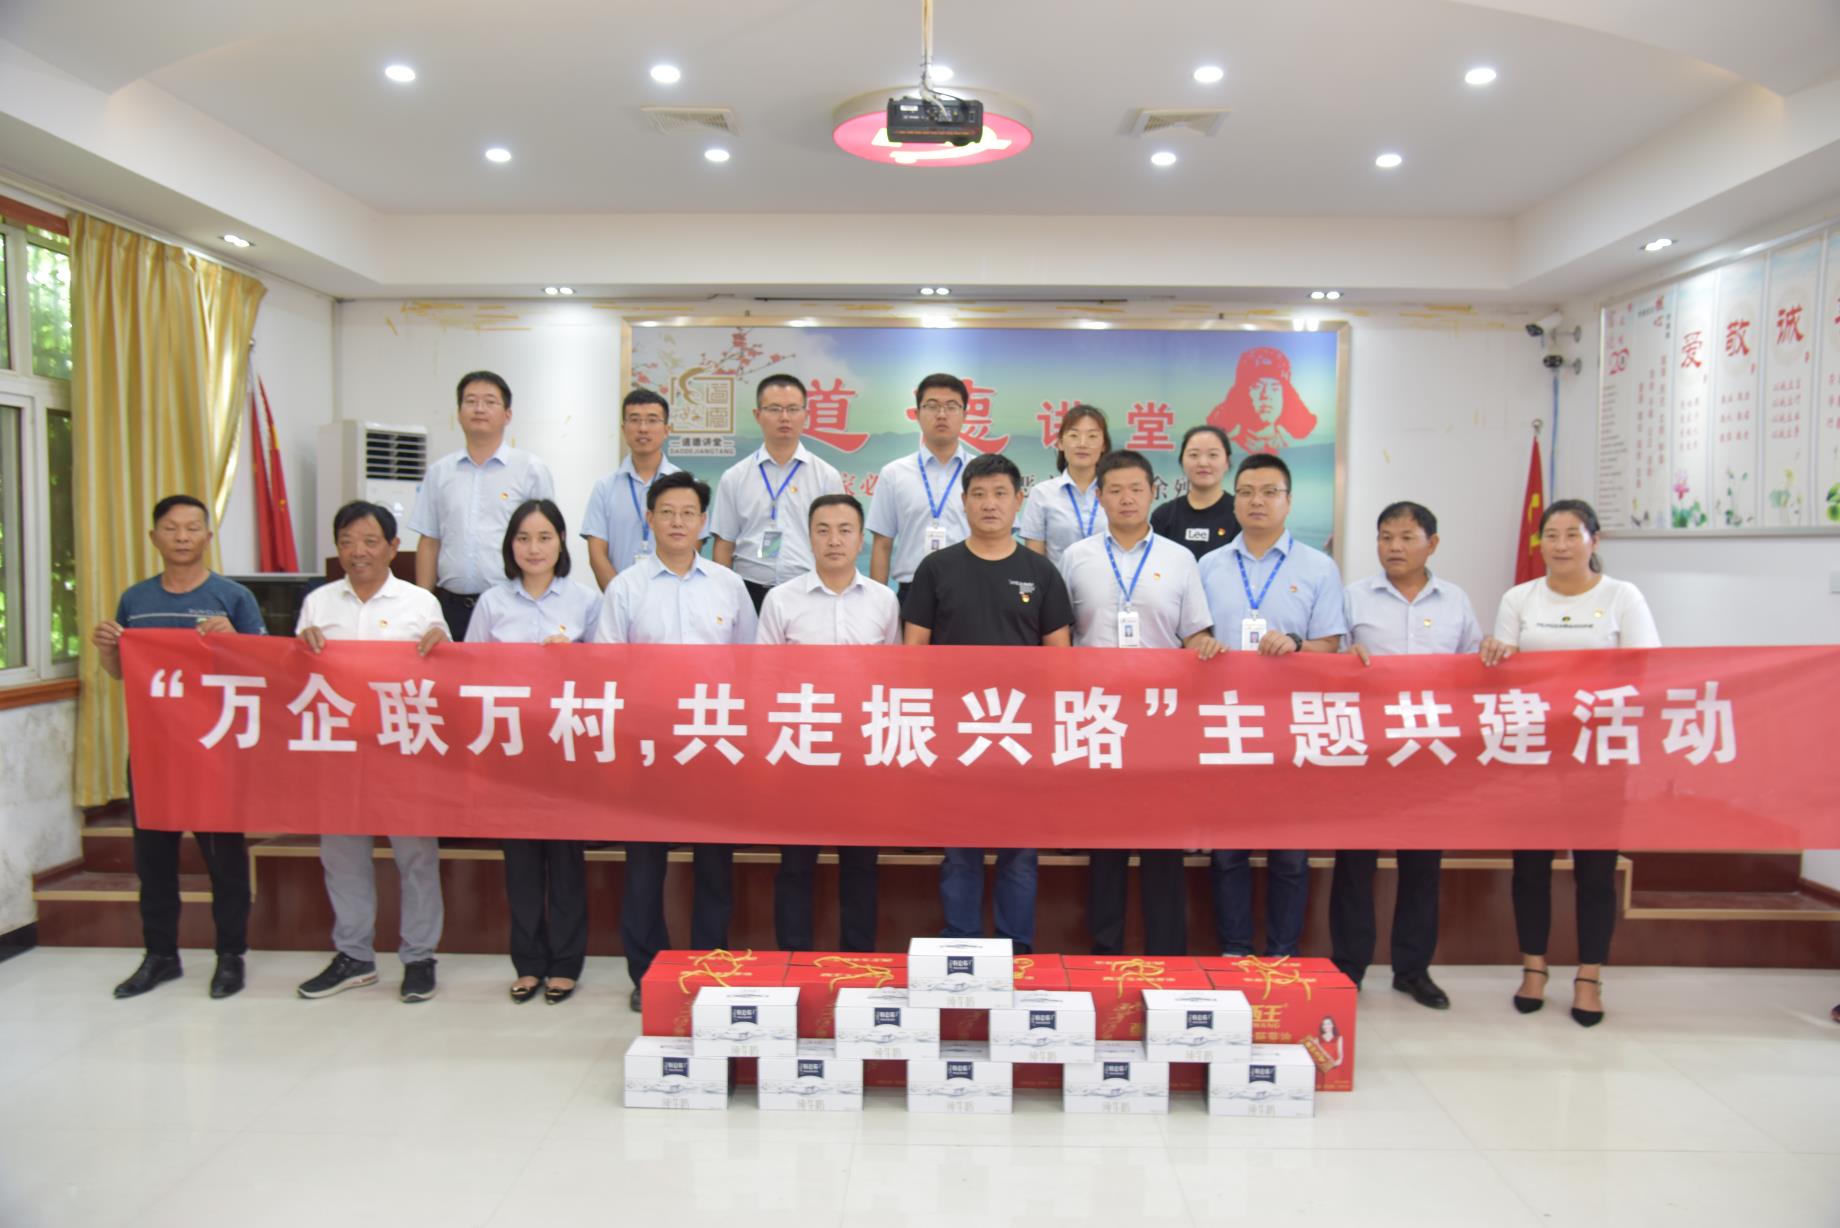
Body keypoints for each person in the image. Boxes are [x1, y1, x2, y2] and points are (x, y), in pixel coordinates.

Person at [1482, 498, 1660, 1028]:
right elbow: (1505, 674)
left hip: (1598, 752)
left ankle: (1589, 976)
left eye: (1572, 535)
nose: (1560, 545)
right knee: (1530, 866)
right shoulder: (1519, 597)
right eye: (1552, 536)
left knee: (1596, 871)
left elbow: (1646, 669)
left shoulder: (1622, 596)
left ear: (1594, 541)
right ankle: (1533, 968)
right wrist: (1494, 655)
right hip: (1534, 750)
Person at [91, 495, 265, 1000]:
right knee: (154, 861)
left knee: (224, 860)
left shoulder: (232, 597)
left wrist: (235, 640)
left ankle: (230, 955)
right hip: (154, 753)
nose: (183, 537)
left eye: (192, 528)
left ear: (208, 536)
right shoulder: (136, 600)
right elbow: (124, 673)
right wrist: (108, 651)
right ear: (154, 538)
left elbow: (264, 669)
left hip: (215, 751)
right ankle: (161, 955)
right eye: (171, 528)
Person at [599, 470, 759, 1010]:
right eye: (666, 512)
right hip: (648, 746)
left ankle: (711, 963)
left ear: (704, 522)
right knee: (646, 866)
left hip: (713, 742)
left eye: (688, 513)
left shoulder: (728, 585)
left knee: (714, 865)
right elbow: (608, 669)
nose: (677, 522)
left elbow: (749, 666)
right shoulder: (626, 587)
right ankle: (647, 972)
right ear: (649, 519)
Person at [904, 453, 1072, 953]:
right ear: (964, 502)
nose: (990, 504)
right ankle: (962, 945)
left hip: (1021, 735)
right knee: (961, 851)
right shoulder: (936, 568)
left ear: (1019, 500)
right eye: (978, 494)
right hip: (956, 733)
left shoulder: (1041, 572)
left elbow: (1059, 660)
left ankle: (1016, 949)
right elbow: (914, 655)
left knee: (1019, 853)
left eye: (1000, 494)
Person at [1059, 450, 1221, 956]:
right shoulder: (1076, 557)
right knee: (1105, 847)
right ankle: (1104, 954)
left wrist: (1206, 647)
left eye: (1135, 488)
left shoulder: (1179, 559)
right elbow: (1061, 637)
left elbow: (1195, 633)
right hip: (1098, 716)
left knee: (1161, 847)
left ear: (1154, 492)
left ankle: (1167, 956)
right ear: (1099, 496)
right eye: (1114, 490)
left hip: (1159, 718)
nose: (1126, 498)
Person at [295, 501, 451, 1003]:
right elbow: (296, 681)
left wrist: (441, 648)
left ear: (392, 547)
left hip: (405, 750)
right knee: (342, 857)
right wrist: (298, 651)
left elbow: (448, 677)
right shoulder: (318, 604)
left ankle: (419, 957)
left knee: (416, 858)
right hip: (339, 751)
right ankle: (355, 956)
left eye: (368, 541)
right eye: (346, 542)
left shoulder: (420, 604)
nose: (357, 552)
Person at [1333, 501, 1483, 1010]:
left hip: (1428, 752)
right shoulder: (1353, 597)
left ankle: (1413, 970)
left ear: (1431, 544)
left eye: (1405, 537)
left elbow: (1473, 671)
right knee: (1355, 866)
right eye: (1385, 537)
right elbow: (1328, 664)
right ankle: (1349, 966)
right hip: (1366, 751)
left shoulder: (1456, 602)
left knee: (1422, 866)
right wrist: (1343, 659)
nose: (1394, 547)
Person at [1197, 453, 1346, 957]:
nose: (1256, 501)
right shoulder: (1209, 566)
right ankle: (1234, 950)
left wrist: (1298, 646)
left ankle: (1283, 954)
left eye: (1268, 492)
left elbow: (1332, 645)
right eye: (1246, 492)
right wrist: (1203, 645)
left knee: (1289, 855)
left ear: (1288, 501)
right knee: (1228, 852)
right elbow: (1193, 638)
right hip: (1227, 724)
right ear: (1234, 501)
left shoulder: (1318, 567)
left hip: (1291, 727)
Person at [466, 500, 599, 1004]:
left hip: (565, 747)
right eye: (523, 538)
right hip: (511, 749)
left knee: (565, 863)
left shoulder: (585, 601)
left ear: (561, 543)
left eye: (544, 537)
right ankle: (527, 963)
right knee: (520, 864)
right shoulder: (492, 603)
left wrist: (575, 661)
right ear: (510, 546)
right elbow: (471, 670)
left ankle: (565, 963)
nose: (534, 548)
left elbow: (609, 673)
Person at [758, 494, 900, 951]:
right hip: (801, 750)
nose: (834, 540)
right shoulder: (781, 600)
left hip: (861, 755)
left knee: (861, 866)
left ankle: (858, 962)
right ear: (809, 537)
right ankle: (793, 962)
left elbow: (893, 680)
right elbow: (765, 680)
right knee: (796, 866)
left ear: (860, 539)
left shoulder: (884, 601)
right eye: (823, 530)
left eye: (844, 530)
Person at [409, 370, 556, 640]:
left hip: (512, 605)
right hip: (451, 607)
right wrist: (423, 607)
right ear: (459, 413)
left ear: (507, 415)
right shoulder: (440, 472)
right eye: (470, 401)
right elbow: (429, 541)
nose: (479, 409)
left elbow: (548, 540)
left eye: (490, 402)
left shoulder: (530, 469)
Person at [710, 373, 845, 611]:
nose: (784, 417)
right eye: (774, 409)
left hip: (808, 590)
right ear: (757, 415)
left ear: (806, 415)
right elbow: (724, 543)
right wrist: (723, 597)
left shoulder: (826, 476)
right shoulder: (735, 477)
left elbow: (837, 542)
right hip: (749, 590)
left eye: (793, 409)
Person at [867, 373, 978, 596]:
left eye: (951, 406)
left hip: (971, 589)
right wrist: (876, 604)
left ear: (965, 415)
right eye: (932, 406)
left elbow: (1000, 539)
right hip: (913, 590)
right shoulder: (894, 474)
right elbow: (882, 544)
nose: (942, 414)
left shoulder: (984, 473)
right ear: (917, 414)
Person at [581, 389, 685, 590]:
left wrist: (668, 595)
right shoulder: (604, 488)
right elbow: (597, 553)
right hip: (620, 598)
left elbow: (691, 545)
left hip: (673, 596)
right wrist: (620, 597)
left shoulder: (685, 487)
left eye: (652, 420)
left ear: (667, 429)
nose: (643, 428)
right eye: (635, 420)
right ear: (623, 428)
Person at [1020, 403, 1111, 567]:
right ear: (1060, 443)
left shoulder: (1115, 492)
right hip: (1058, 582)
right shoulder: (1042, 493)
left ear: (1104, 445)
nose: (1082, 443)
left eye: (1092, 436)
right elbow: (1035, 562)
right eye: (1074, 435)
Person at [1151, 424, 1239, 561]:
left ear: (1227, 462)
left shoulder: (1241, 514)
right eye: (1194, 455)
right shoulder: (1164, 515)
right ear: (1181, 461)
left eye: (1213, 455)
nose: (1203, 463)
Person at [1206, 347, 1319, 453]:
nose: (1266, 395)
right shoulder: (1227, 451)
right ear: (1242, 395)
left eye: (1275, 388)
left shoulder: (1296, 449)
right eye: (1257, 386)